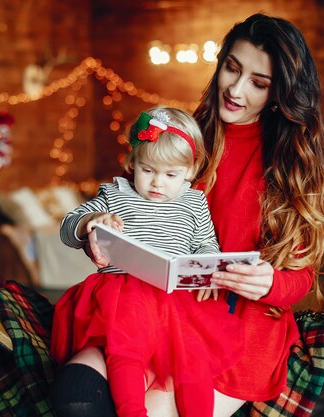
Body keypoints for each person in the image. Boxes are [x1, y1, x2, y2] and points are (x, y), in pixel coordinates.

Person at [49, 12, 324, 417]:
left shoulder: (291, 164)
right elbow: (126, 204)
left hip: (238, 325)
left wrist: (271, 282)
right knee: (77, 395)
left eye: (258, 83)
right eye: (231, 69)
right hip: (150, 306)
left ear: (280, 94)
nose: (236, 90)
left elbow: (302, 278)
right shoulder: (185, 135)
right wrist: (94, 233)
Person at [49, 107, 245, 417]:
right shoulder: (115, 195)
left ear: (190, 171)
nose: (157, 183)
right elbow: (67, 227)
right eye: (148, 170)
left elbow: (207, 243)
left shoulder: (193, 202)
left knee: (193, 359)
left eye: (171, 175)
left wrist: (206, 267)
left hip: (177, 300)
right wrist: (91, 221)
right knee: (126, 350)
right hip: (124, 296)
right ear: (132, 163)